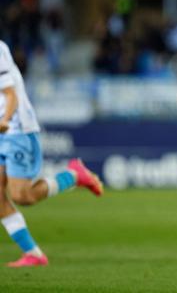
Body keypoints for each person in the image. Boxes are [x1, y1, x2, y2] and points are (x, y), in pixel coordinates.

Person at [0, 40, 103, 267]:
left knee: (22, 196)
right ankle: (33, 254)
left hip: (16, 129)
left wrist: (5, 120)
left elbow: (10, 94)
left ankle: (74, 176)